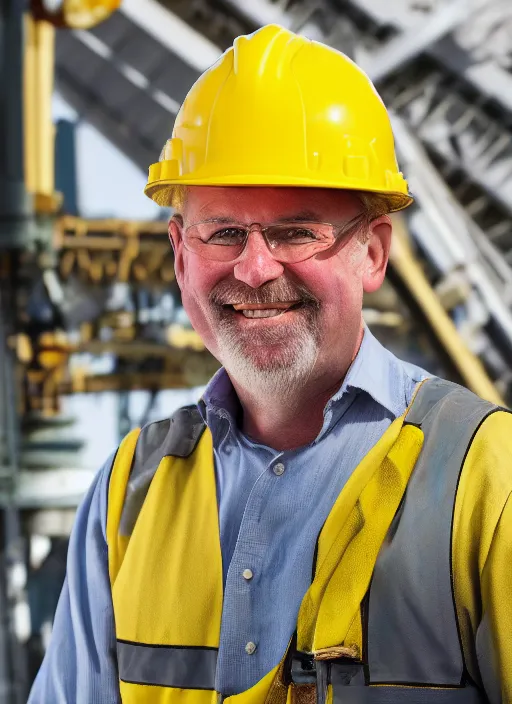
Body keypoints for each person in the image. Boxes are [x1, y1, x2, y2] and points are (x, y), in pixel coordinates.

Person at [29, 23, 512, 704]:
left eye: (295, 231)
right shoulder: (124, 499)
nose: (255, 269)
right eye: (224, 232)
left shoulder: (491, 481)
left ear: (373, 253)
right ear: (179, 256)